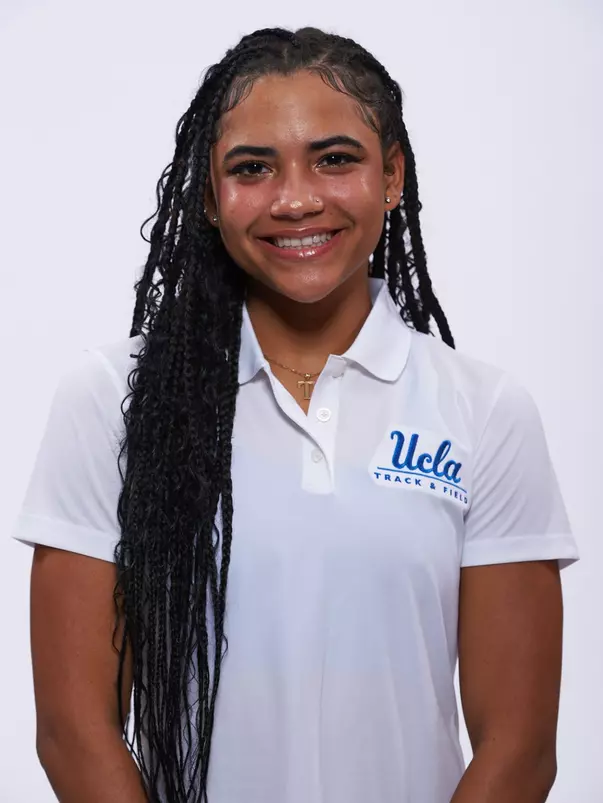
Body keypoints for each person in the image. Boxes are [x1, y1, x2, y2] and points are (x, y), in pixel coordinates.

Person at [11, 26, 579, 803]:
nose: (296, 198)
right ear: (209, 198)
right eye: (252, 168)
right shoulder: (113, 399)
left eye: (334, 158)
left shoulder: (484, 412)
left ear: (391, 175)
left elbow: (518, 747)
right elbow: (73, 730)